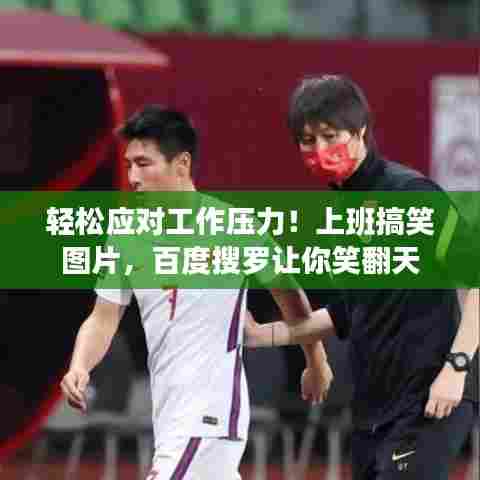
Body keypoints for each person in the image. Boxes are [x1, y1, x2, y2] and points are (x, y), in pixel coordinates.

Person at [60, 106, 333, 480]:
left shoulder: (235, 227)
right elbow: (102, 318)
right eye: (128, 165)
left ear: (182, 164)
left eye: (144, 164)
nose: (133, 177)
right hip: (170, 419)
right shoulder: (126, 235)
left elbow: (293, 303)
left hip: (210, 416)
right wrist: (80, 365)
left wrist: (316, 362)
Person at [245, 75, 479, 479]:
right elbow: (350, 313)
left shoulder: (411, 194)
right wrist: (261, 335)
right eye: (307, 140)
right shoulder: (343, 213)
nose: (319, 150)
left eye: (329, 136)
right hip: (372, 410)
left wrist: (456, 368)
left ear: (360, 132)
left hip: (429, 397)